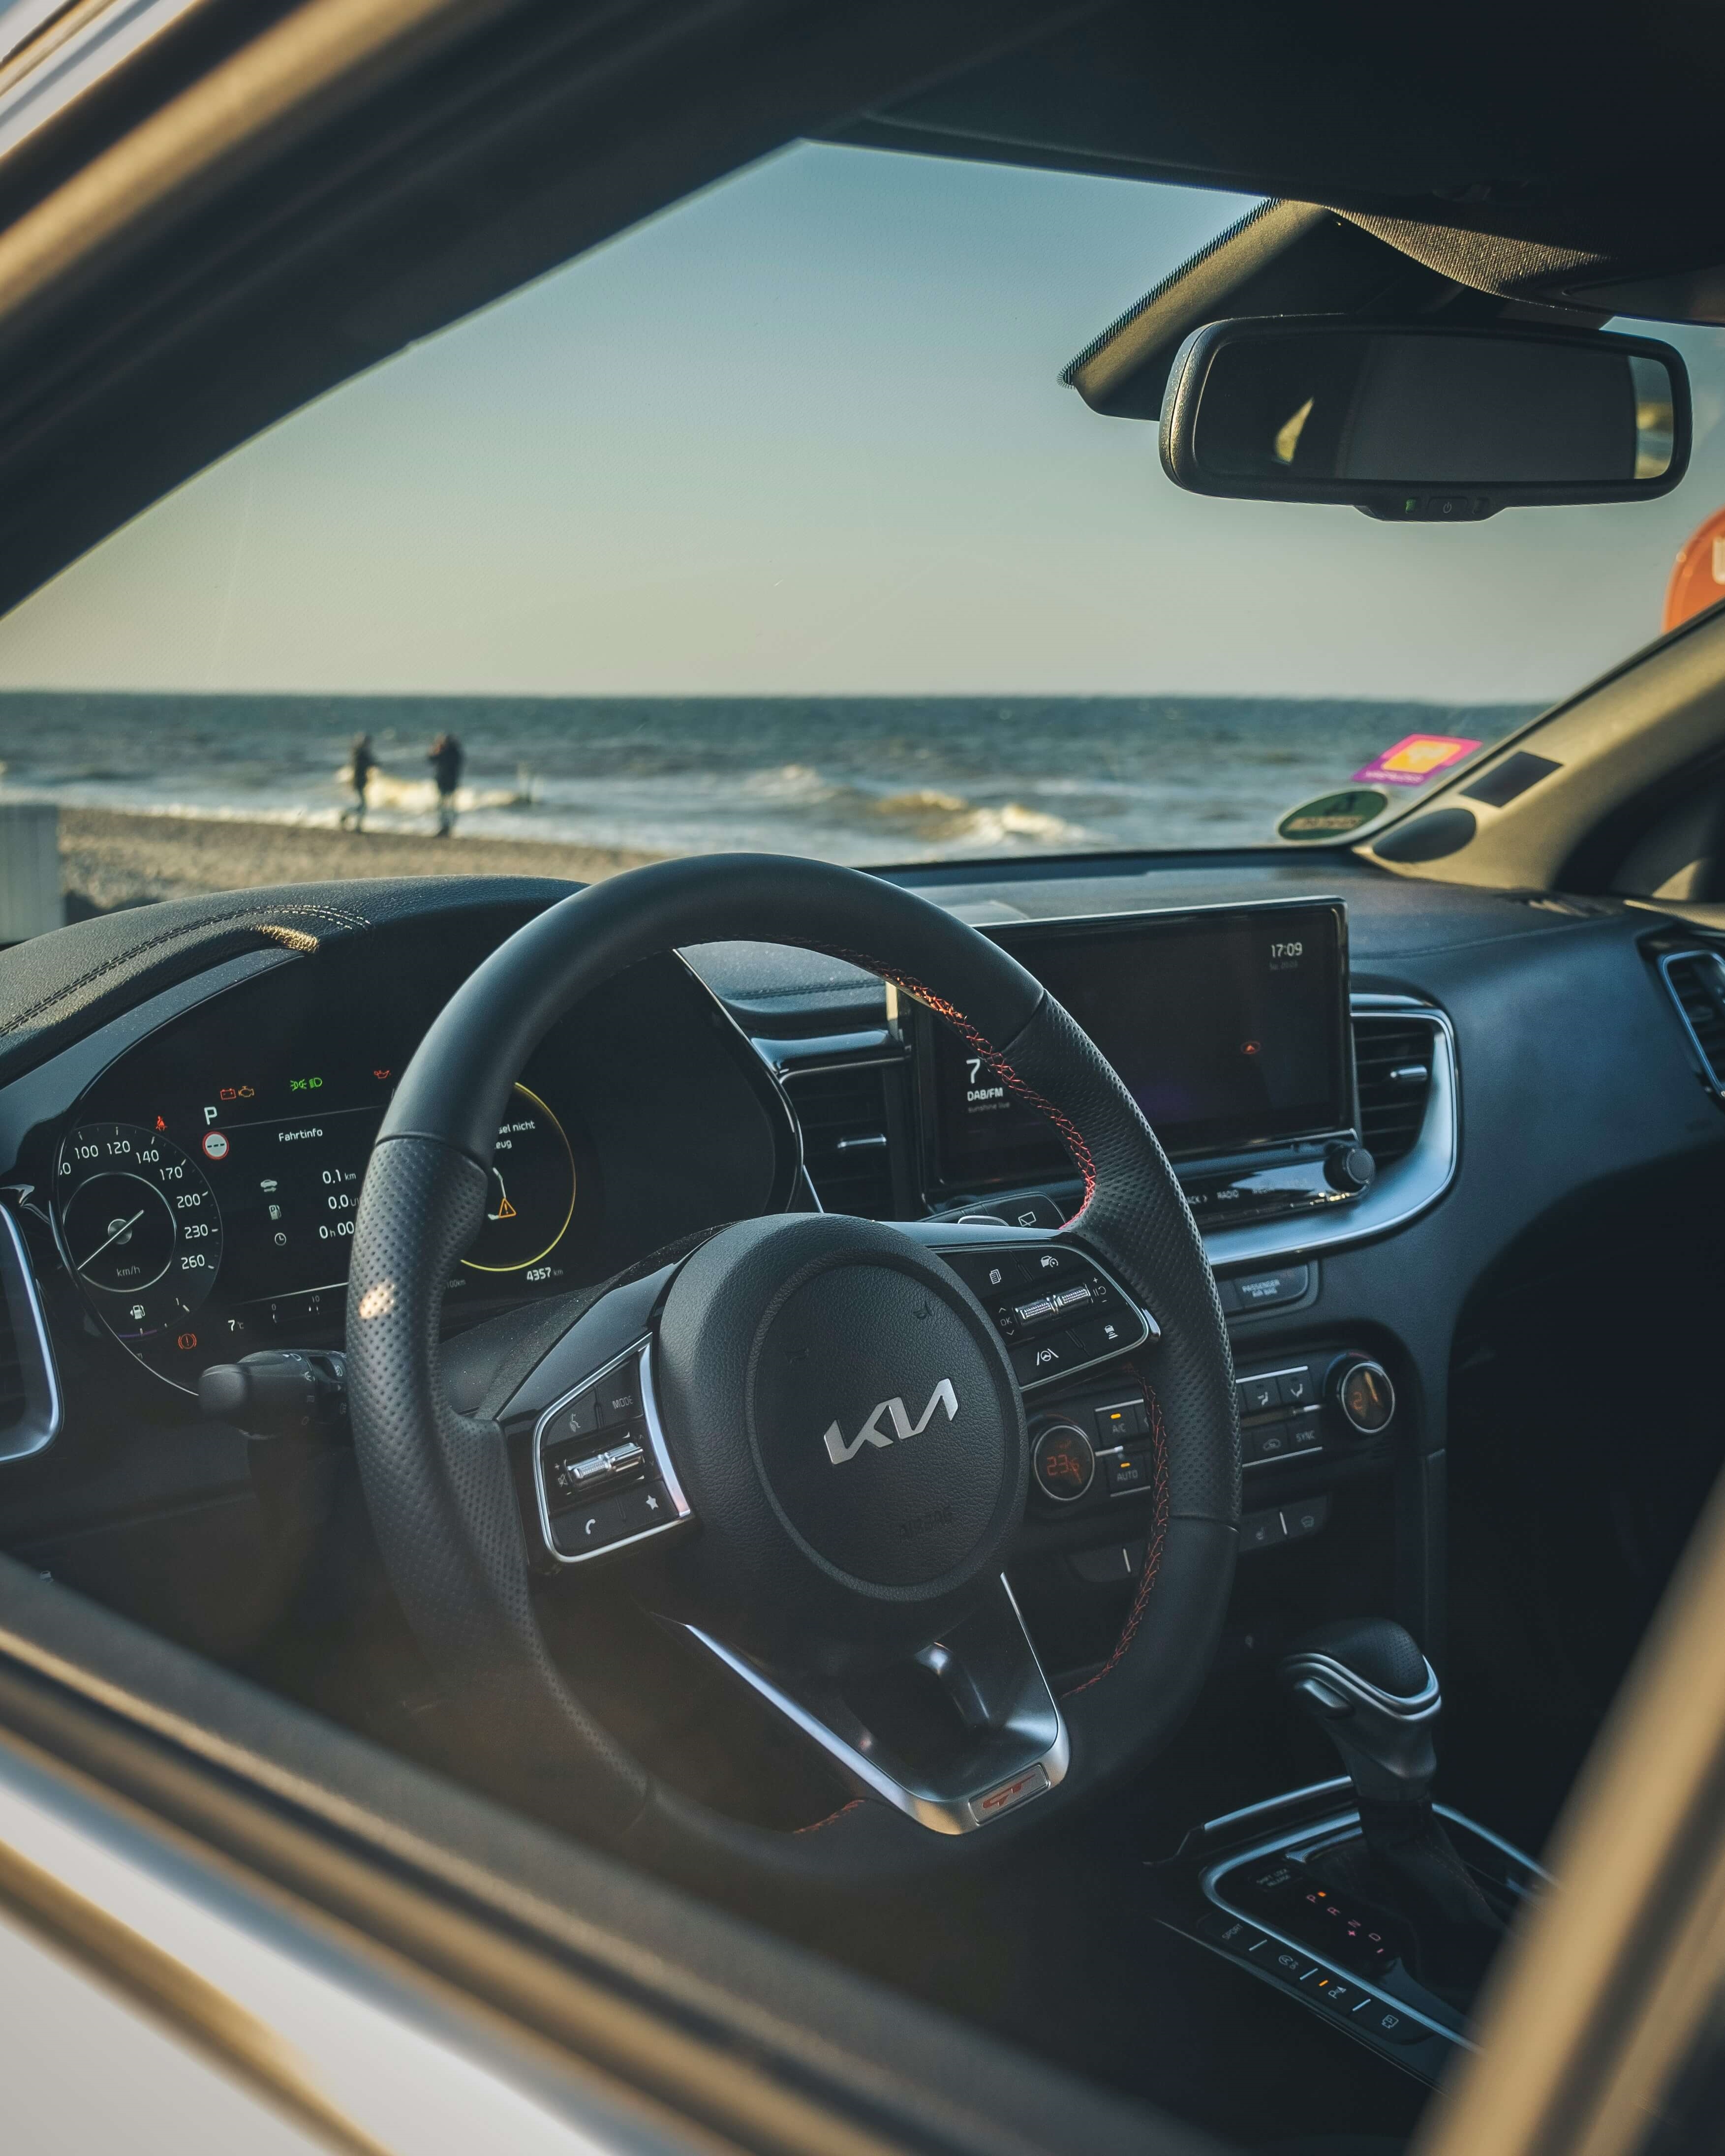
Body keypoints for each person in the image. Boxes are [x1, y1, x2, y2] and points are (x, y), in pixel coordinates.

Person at [428, 731, 463, 837]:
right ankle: (447, 827)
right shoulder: (456, 752)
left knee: (444, 806)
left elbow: (431, 759)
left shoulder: (447, 752)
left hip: (445, 781)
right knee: (449, 806)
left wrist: (436, 749)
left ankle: (446, 827)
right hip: (449, 781)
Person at [341, 732, 375, 830]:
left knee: (362, 805)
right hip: (358, 781)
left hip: (360, 781)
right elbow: (367, 764)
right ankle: (351, 820)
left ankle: (356, 823)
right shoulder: (360, 753)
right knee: (363, 806)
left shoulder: (359, 753)